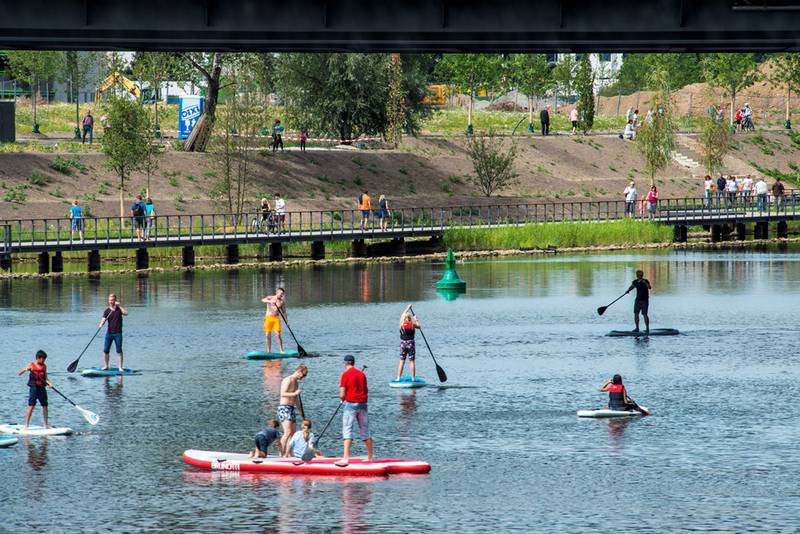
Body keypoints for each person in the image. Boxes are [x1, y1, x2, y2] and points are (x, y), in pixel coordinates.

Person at [336, 355, 373, 467]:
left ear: (345, 363)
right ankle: (370, 456)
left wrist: (342, 399)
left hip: (351, 405)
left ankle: (346, 458)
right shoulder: (362, 374)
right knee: (365, 430)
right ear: (353, 363)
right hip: (363, 405)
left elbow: (342, 394)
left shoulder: (345, 375)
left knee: (347, 430)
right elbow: (366, 390)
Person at [17, 350, 53, 429]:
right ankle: (26, 425)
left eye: (44, 359)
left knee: (45, 406)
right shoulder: (31, 365)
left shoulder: (44, 366)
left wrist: (49, 383)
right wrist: (25, 369)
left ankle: (46, 425)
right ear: (38, 358)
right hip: (34, 388)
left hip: (42, 388)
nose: (43, 361)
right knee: (31, 406)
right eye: (43, 359)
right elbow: (19, 373)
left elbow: (46, 378)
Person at [278, 365, 308, 457]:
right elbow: (282, 393)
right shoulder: (288, 380)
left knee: (293, 434)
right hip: (284, 408)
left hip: (291, 409)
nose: (302, 378)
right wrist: (294, 393)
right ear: (298, 371)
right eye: (302, 376)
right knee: (287, 432)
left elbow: (296, 400)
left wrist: (301, 413)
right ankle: (281, 453)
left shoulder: (296, 382)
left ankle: (289, 454)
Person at [99, 293, 128, 371]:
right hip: (109, 333)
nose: (111, 302)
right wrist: (101, 323)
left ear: (115, 300)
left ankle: (120, 367)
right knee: (105, 350)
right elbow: (103, 319)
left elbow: (126, 313)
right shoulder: (107, 311)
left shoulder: (119, 309)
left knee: (119, 350)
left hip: (118, 333)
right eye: (110, 300)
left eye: (112, 300)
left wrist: (119, 306)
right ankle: (106, 366)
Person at [396, 304, 421, 382]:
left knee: (401, 361)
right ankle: (413, 378)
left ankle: (398, 378)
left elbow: (402, 315)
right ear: (410, 319)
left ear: (404, 319)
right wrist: (416, 319)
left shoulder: (401, 324)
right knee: (412, 361)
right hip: (411, 344)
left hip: (403, 344)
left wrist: (407, 308)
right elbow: (419, 326)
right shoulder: (412, 324)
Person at [261, 288, 286, 353]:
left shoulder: (282, 302)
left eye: (283, 294)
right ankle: (269, 351)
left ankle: (281, 350)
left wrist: (287, 322)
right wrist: (270, 301)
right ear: (277, 292)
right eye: (281, 294)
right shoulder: (270, 297)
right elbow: (263, 300)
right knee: (267, 335)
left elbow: (284, 312)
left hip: (276, 318)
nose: (282, 295)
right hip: (268, 318)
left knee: (278, 334)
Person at [626, 270, 651, 334]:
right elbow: (632, 286)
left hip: (644, 300)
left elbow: (649, 287)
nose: (639, 275)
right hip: (637, 300)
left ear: (642, 275)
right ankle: (637, 328)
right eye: (638, 274)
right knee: (636, 314)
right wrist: (628, 290)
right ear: (637, 275)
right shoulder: (635, 282)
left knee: (644, 314)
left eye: (640, 274)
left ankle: (647, 328)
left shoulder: (645, 281)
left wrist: (645, 282)